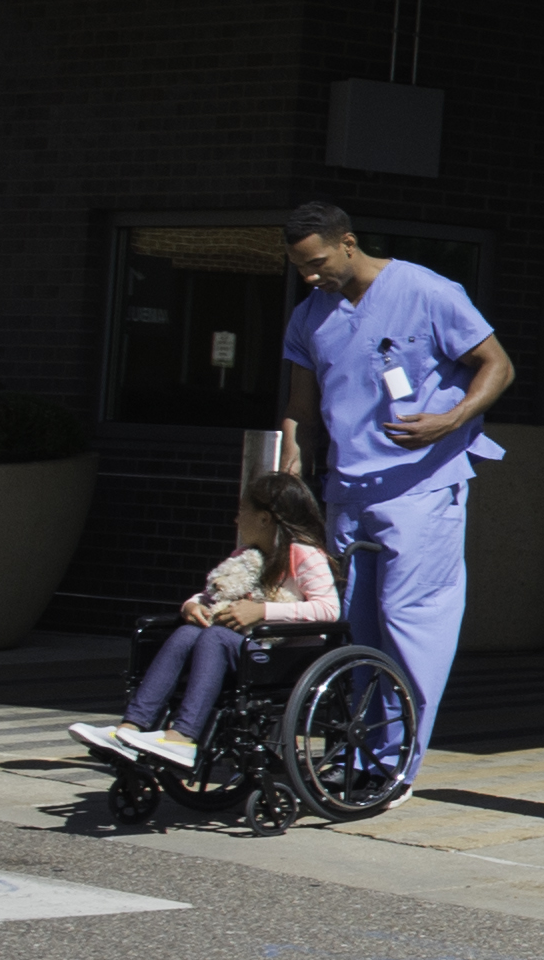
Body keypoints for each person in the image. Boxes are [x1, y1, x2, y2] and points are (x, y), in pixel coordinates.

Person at [276, 200, 513, 764]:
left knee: (411, 627)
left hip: (422, 489)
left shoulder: (425, 290)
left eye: (318, 262)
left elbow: (496, 364)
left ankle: (393, 763)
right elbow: (301, 408)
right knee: (357, 633)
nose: (311, 276)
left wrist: (450, 420)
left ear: (349, 242)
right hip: (348, 494)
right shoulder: (311, 315)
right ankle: (359, 753)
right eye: (300, 268)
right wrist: (291, 457)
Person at [74, 471, 339, 785]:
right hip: (239, 650)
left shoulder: (305, 556)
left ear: (265, 518)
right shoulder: (245, 556)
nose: (236, 519)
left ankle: (182, 737)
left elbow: (329, 609)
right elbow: (215, 592)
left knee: (213, 636)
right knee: (188, 632)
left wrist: (263, 611)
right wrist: (192, 604)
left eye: (243, 511)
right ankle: (131, 729)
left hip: (281, 658)